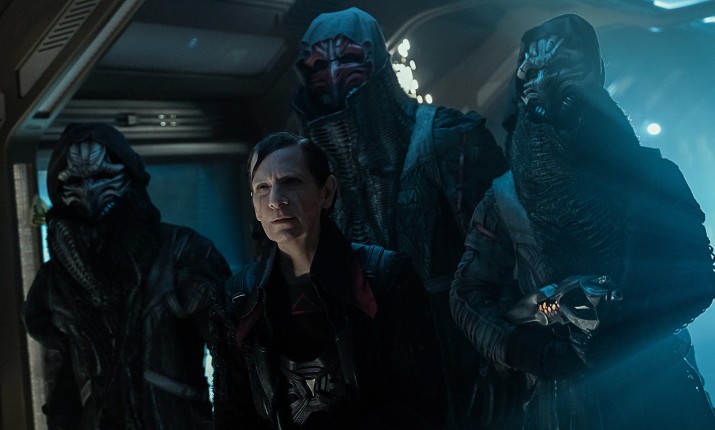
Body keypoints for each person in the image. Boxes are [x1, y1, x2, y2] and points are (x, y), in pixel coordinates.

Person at [450, 14, 715, 429]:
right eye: (536, 71)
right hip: (564, 404)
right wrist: (531, 350)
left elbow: (697, 277)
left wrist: (626, 327)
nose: (549, 82)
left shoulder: (652, 175)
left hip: (657, 388)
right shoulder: (505, 198)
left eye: (564, 68)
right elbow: (468, 293)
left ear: (594, 74)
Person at [291, 8, 508, 426]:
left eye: (348, 58)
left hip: (456, 366)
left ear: (374, 61)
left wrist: (499, 356)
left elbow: (499, 266)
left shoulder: (448, 139)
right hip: (365, 378)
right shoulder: (303, 176)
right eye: (318, 64)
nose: (332, 74)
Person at [210, 132, 445, 429]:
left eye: (291, 181)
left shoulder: (387, 278)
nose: (276, 200)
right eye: (263, 187)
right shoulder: (236, 300)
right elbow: (232, 416)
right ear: (255, 206)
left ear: (327, 192)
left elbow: (421, 403)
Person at [23, 123, 231, 429]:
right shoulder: (54, 282)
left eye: (103, 176)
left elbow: (233, 357)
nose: (89, 189)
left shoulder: (182, 254)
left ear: (128, 177)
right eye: (76, 180)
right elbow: (62, 388)